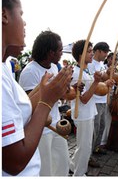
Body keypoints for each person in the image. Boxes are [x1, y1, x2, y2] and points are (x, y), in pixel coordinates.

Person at [2, 0, 73, 176]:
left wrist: (51, 90)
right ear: (4, 15)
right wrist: (47, 100)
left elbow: (21, 107)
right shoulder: (15, 72)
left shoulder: (5, 66)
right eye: (21, 14)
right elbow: (14, 162)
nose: (24, 23)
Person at [19, 30, 70, 176]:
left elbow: (58, 96)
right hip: (41, 130)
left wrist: (65, 89)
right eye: (59, 50)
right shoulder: (30, 72)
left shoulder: (54, 67)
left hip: (56, 125)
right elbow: (31, 106)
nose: (61, 53)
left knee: (62, 164)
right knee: (45, 170)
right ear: (50, 52)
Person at [69, 40, 114, 176]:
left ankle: (72, 166)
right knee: (85, 147)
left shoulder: (85, 70)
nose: (92, 53)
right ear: (80, 55)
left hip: (88, 112)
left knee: (84, 146)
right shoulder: (77, 73)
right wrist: (96, 82)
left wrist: (105, 83)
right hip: (82, 114)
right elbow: (84, 98)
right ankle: (79, 174)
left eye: (91, 51)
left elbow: (93, 89)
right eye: (89, 51)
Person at [88, 42, 111, 159]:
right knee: (94, 128)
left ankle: (96, 147)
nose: (106, 55)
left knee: (102, 126)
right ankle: (89, 155)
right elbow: (93, 84)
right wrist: (105, 81)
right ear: (98, 51)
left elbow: (105, 78)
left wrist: (110, 75)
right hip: (95, 100)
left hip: (102, 100)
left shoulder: (102, 64)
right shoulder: (90, 65)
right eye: (105, 52)